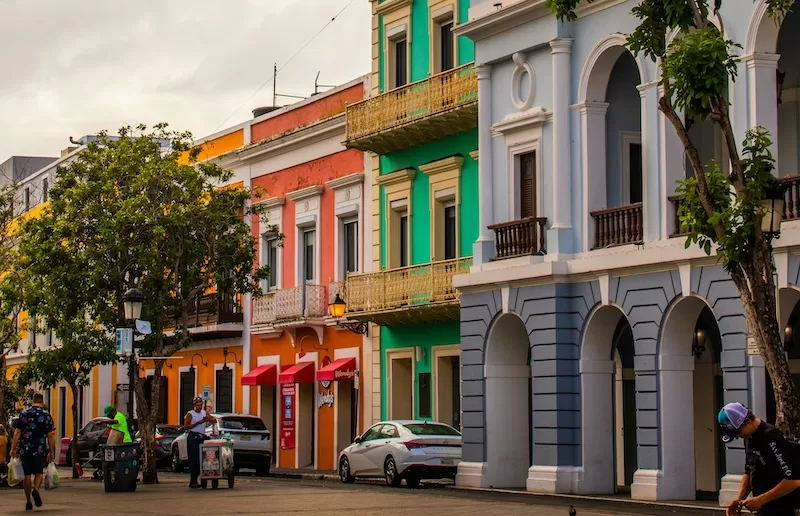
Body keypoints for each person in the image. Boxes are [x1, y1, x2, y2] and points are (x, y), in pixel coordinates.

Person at [719, 402, 800, 516]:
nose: (737, 436)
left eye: (737, 432)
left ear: (747, 421)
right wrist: (739, 500)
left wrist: (761, 500)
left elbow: (793, 480)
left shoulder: (771, 437)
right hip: (762, 509)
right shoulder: (748, 437)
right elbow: (749, 469)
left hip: (781, 508)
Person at [10, 393, 55, 511]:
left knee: (27, 475)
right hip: (40, 449)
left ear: (33, 401)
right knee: (39, 472)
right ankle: (36, 490)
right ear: (42, 402)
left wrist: (13, 449)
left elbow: (17, 432)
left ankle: (29, 501)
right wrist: (52, 451)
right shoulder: (46, 415)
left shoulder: (24, 414)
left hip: (25, 449)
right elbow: (50, 436)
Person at [183, 397, 215, 489]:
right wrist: (198, 422)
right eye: (198, 405)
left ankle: (199, 478)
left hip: (201, 436)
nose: (199, 407)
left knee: (201, 459)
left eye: (201, 405)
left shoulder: (204, 413)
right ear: (194, 405)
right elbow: (186, 426)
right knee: (193, 459)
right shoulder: (190, 414)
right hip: (193, 437)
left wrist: (208, 419)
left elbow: (213, 419)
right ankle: (192, 480)